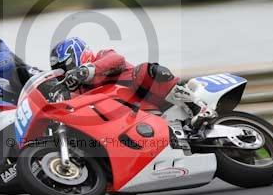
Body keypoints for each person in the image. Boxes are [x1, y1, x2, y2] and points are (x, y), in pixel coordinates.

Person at [49, 37, 215, 140]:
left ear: (76, 55)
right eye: (60, 71)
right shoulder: (79, 92)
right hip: (135, 120)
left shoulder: (102, 56)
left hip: (156, 99)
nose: (65, 73)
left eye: (65, 67)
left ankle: (198, 107)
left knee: (144, 71)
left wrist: (86, 70)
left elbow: (116, 59)